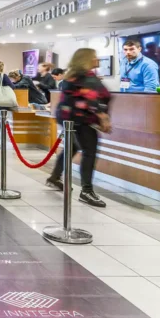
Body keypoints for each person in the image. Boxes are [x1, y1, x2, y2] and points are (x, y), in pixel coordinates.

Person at [46, 48, 112, 207]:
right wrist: (102, 116)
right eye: (94, 57)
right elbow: (90, 98)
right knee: (89, 152)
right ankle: (86, 191)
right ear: (86, 59)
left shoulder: (75, 75)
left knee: (72, 147)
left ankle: (54, 177)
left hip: (71, 119)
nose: (97, 59)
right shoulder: (83, 77)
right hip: (80, 120)